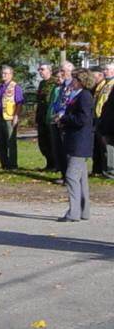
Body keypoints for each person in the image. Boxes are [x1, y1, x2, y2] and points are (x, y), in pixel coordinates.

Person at [57, 69, 96, 221]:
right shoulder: (77, 94)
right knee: (81, 178)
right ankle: (84, 211)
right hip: (75, 140)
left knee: (71, 176)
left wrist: (65, 118)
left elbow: (83, 119)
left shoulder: (85, 96)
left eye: (74, 79)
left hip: (80, 142)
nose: (71, 82)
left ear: (81, 81)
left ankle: (74, 213)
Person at [0, 65, 24, 170]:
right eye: (2, 73)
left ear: (11, 74)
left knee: (10, 142)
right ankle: (4, 164)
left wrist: (16, 116)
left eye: (5, 73)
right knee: (0, 142)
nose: (3, 75)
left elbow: (19, 103)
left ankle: (13, 165)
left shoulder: (15, 87)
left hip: (9, 118)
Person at [50, 61, 75, 183]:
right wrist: (55, 114)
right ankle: (63, 174)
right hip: (57, 119)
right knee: (58, 148)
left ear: (70, 72)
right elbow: (58, 102)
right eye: (61, 70)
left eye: (63, 71)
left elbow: (69, 103)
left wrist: (62, 115)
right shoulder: (63, 86)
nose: (61, 73)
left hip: (66, 121)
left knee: (67, 149)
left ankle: (69, 177)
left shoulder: (74, 85)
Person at [92, 62, 114, 178]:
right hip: (99, 117)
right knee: (99, 146)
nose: (104, 72)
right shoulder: (104, 84)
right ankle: (100, 169)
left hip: (107, 118)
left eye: (106, 69)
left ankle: (109, 171)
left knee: (107, 146)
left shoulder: (112, 84)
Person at [34, 64, 57, 171]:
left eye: (42, 69)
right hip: (41, 116)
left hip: (50, 116)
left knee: (51, 141)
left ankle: (55, 164)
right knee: (43, 142)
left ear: (50, 70)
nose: (40, 71)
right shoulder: (42, 83)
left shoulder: (54, 82)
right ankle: (49, 163)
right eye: (39, 70)